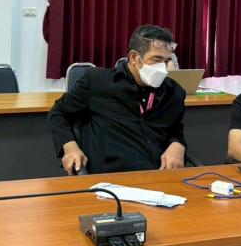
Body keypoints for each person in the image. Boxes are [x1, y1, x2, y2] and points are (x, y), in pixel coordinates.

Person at [48, 25, 187, 174]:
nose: (163, 68)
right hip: (112, 176)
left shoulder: (174, 92)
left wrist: (178, 144)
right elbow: (58, 113)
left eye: (166, 61)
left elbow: (174, 130)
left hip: (159, 175)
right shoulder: (97, 82)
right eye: (157, 59)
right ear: (134, 58)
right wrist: (70, 147)